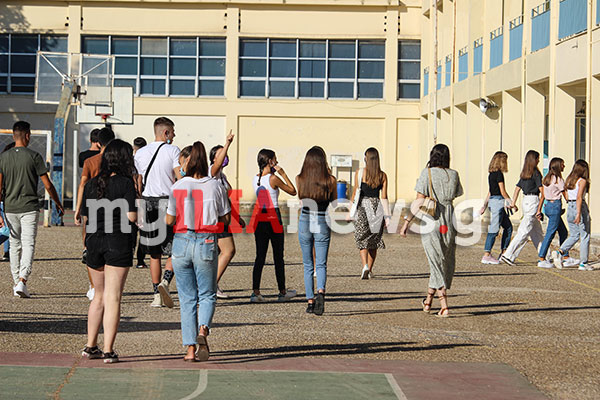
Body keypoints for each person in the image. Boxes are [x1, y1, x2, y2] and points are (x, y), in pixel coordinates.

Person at [167, 141, 231, 362]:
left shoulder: (178, 186)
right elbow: (226, 218)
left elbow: (169, 219)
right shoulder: (215, 186)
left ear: (188, 162)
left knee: (186, 298)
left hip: (182, 241)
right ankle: (203, 329)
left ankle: (190, 350)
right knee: (207, 293)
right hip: (206, 240)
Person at [80, 139, 138, 364]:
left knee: (98, 296)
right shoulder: (125, 183)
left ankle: (90, 345)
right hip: (117, 241)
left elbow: (86, 218)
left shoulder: (92, 184)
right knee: (113, 297)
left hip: (94, 241)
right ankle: (108, 350)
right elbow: (131, 217)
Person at [0, 121, 64, 298]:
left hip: (10, 207)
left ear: (14, 135)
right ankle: (23, 279)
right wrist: (57, 202)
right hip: (29, 206)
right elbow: (47, 185)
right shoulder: (34, 156)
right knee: (28, 243)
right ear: (27, 135)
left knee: (14, 244)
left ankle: (16, 282)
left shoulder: (3, 157)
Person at [399, 144, 463, 318]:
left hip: (432, 221)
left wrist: (406, 222)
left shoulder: (427, 173)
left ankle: (444, 306)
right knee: (443, 261)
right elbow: (456, 193)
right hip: (449, 221)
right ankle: (428, 302)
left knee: (435, 263)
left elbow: (419, 201)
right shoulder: (454, 174)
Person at [134, 117, 181, 308]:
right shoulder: (173, 150)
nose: (174, 135)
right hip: (167, 202)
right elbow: (179, 177)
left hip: (147, 202)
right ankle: (166, 281)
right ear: (166, 133)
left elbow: (138, 180)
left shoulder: (140, 153)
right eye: (173, 132)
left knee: (154, 253)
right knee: (175, 248)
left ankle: (156, 294)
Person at [250, 149, 297, 302]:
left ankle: (255, 292)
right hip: (273, 215)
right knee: (278, 256)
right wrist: (283, 173)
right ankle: (282, 292)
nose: (277, 162)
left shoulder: (255, 178)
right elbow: (293, 191)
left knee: (260, 256)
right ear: (270, 161)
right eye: (275, 159)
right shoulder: (273, 178)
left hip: (259, 216)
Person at [75, 127, 116, 300]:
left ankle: (93, 285)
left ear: (98, 143)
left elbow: (83, 184)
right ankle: (107, 284)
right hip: (112, 205)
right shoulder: (116, 161)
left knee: (90, 246)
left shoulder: (90, 161)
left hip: (91, 203)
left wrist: (78, 208)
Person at [296, 146, 337, 315]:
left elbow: (300, 197)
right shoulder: (331, 180)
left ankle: (310, 301)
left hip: (305, 218)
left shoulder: (300, 179)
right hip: (321, 218)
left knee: (307, 264)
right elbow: (334, 201)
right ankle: (321, 291)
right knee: (321, 263)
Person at [209, 131, 246, 299]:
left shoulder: (222, 176)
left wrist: (237, 217)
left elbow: (226, 200)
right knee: (229, 251)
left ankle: (208, 284)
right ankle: (211, 286)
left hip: (223, 218)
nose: (225, 156)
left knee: (214, 254)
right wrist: (228, 143)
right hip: (215, 219)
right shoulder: (212, 172)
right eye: (221, 153)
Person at [350, 147, 390, 279]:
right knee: (374, 239)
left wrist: (350, 210)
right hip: (376, 206)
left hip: (362, 205)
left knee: (362, 238)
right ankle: (370, 269)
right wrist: (387, 216)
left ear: (366, 158)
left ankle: (365, 266)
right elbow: (384, 197)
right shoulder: (382, 175)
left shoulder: (360, 173)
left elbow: (355, 192)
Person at [500, 151, 544, 265]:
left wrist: (513, 202)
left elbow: (517, 188)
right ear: (534, 160)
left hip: (526, 201)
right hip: (533, 200)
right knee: (524, 231)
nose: (539, 160)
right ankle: (508, 255)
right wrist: (540, 208)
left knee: (537, 232)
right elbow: (542, 191)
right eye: (538, 158)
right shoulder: (536, 174)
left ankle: (545, 255)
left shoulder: (524, 173)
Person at [552, 160, 592, 271]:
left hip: (570, 205)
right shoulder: (582, 181)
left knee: (574, 235)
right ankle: (583, 263)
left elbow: (566, 193)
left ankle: (559, 252)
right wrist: (579, 213)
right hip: (580, 206)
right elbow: (579, 197)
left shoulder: (569, 180)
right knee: (585, 235)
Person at [480, 151, 515, 265]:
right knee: (494, 229)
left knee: (508, 227)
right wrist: (511, 203)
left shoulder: (491, 174)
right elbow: (502, 191)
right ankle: (487, 254)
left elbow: (490, 191)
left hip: (493, 202)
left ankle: (504, 252)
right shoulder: (499, 174)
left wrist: (484, 205)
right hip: (498, 203)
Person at [536, 158, 569, 269]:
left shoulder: (547, 179)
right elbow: (564, 193)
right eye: (562, 164)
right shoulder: (558, 179)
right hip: (555, 205)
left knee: (563, 231)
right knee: (550, 233)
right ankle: (541, 258)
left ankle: (565, 256)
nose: (564, 166)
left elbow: (543, 196)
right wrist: (571, 201)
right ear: (558, 166)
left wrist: (539, 209)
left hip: (548, 206)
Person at [132, 137, 148, 269]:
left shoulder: (131, 160)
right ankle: (140, 259)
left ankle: (129, 255)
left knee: (131, 230)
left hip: (131, 197)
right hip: (144, 196)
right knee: (143, 230)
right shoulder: (147, 159)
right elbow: (139, 179)